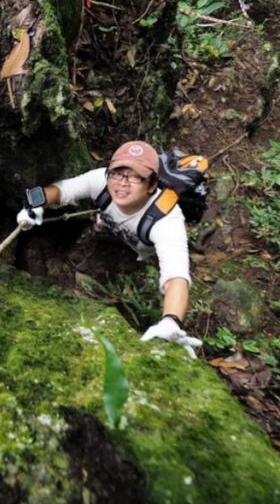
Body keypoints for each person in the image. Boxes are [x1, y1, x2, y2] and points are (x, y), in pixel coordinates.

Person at [16, 141, 202, 357]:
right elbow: (62, 190)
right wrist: (34, 204)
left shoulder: (166, 219)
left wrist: (171, 320)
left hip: (141, 252)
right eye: (117, 173)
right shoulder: (101, 180)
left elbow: (175, 276)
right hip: (109, 231)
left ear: (152, 185)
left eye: (134, 177)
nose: (123, 183)